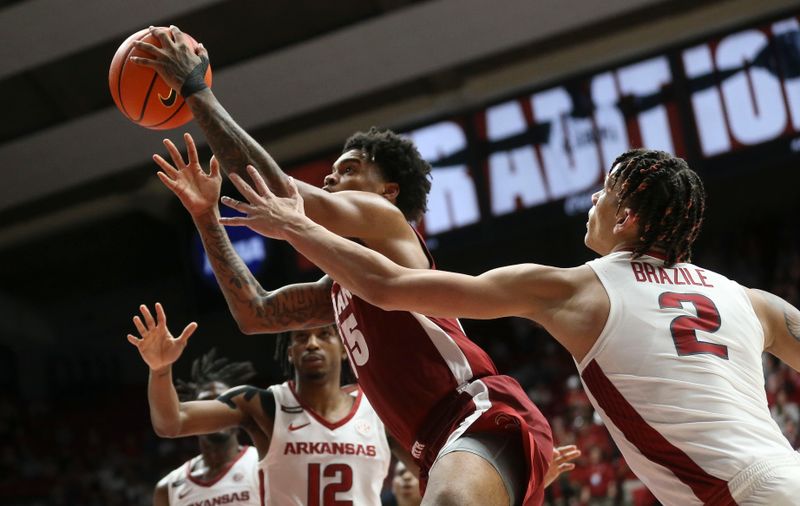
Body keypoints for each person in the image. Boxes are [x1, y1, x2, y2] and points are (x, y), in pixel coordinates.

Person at [219, 149, 800, 505]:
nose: (594, 198)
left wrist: (297, 226)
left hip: (735, 492)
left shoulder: (575, 288)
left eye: (606, 191)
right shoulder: (751, 301)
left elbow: (391, 289)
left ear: (625, 219)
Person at [134, 26, 554, 505]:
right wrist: (207, 217)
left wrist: (197, 91)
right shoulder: (338, 288)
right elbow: (255, 313)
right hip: (437, 445)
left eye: (350, 168)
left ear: (388, 190)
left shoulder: (386, 220)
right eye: (333, 170)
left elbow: (280, 193)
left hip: (475, 413)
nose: (333, 175)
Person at [127, 303, 392, 505]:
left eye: (324, 334)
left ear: (344, 346)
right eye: (301, 338)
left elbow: (425, 469)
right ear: (290, 353)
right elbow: (171, 422)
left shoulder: (378, 408)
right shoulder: (263, 406)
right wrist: (160, 370)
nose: (312, 343)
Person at [151, 348, 260, 506]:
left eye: (223, 403)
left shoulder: (264, 464)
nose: (215, 411)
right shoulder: (167, 488)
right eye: (206, 403)